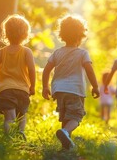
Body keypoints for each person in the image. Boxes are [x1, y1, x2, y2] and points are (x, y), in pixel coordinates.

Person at [42, 15, 99, 150]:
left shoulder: (57, 53)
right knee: (75, 116)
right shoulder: (82, 53)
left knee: (66, 117)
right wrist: (95, 86)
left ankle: (66, 144)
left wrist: (45, 86)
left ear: (62, 35)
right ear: (81, 36)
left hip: (59, 90)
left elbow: (46, 70)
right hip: (75, 89)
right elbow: (90, 71)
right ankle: (66, 133)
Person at [0, 14, 36, 139]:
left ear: (6, 33)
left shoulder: (2, 51)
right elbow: (32, 69)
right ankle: (20, 132)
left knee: (9, 117)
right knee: (22, 115)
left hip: (6, 90)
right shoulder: (27, 52)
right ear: (25, 34)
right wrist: (32, 86)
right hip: (22, 90)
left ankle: (8, 139)